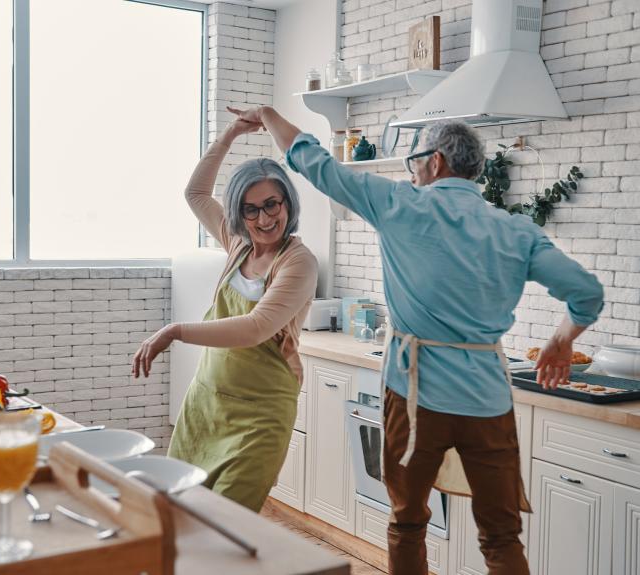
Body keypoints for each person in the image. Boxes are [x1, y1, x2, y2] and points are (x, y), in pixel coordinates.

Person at [228, 106, 604, 574]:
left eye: (414, 160)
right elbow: (587, 295)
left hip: (413, 398)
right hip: (486, 401)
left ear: (436, 161)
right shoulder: (514, 229)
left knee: (407, 523)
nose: (412, 170)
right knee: (502, 536)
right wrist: (562, 340)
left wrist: (267, 115)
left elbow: (313, 161)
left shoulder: (398, 205)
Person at [132, 115, 317, 513]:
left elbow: (257, 327)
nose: (264, 219)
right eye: (251, 210)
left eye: (272, 204)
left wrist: (176, 331)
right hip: (206, 404)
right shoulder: (239, 244)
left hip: (259, 416)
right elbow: (196, 193)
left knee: (225, 522)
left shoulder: (298, 262)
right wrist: (230, 134)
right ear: (239, 214)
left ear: (287, 202)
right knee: (178, 513)